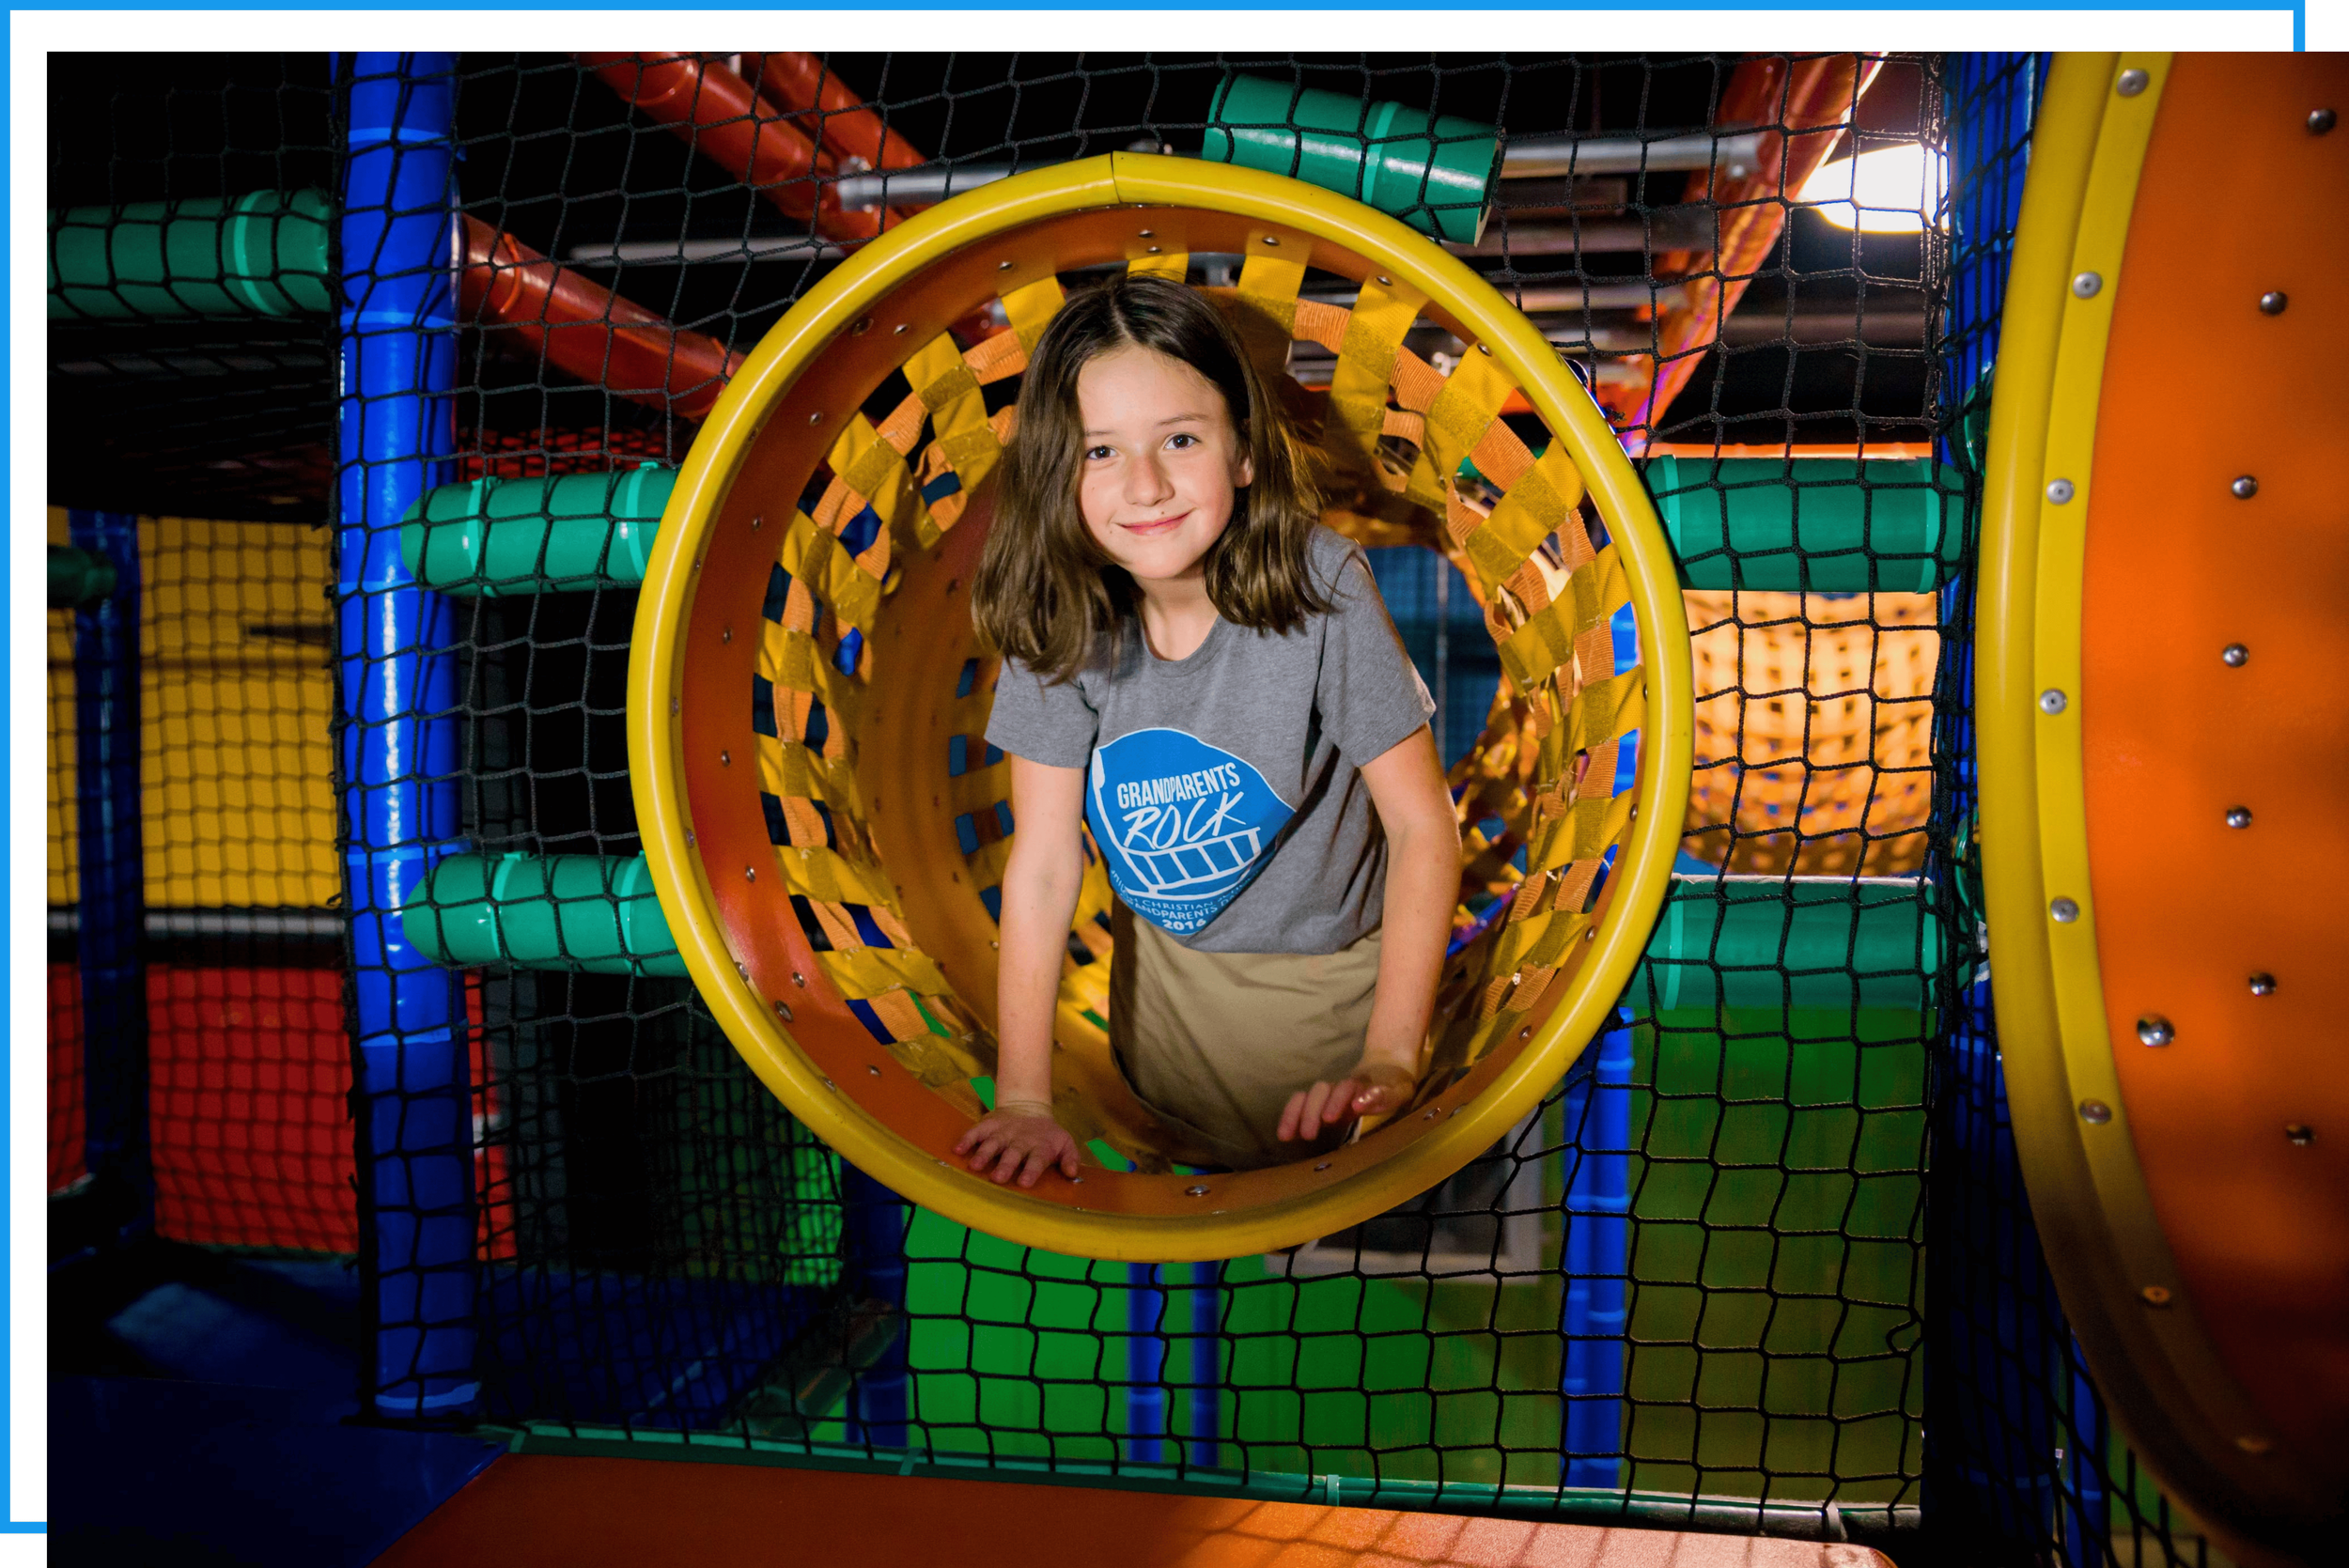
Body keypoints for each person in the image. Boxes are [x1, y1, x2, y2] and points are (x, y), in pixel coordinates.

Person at [956, 272, 1459, 1188]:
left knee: (1324, 1203)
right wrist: (1025, 1098)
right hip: (1165, 997)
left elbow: (1422, 823)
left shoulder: (1321, 584)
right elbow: (1041, 862)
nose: (1143, 485)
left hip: (1334, 985)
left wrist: (1392, 1053)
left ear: (1243, 453)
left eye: (1179, 439)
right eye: (1098, 452)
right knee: (1195, 1198)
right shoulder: (1058, 610)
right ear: (1052, 471)